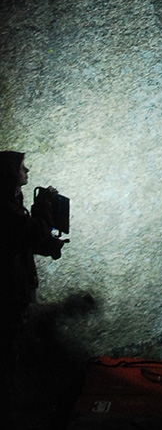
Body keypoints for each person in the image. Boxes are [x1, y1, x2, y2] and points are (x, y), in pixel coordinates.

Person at [0, 151, 67, 420]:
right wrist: (44, 205)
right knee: (7, 350)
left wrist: (48, 245)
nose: (27, 171)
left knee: (10, 348)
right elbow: (32, 232)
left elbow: (21, 240)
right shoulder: (5, 208)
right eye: (22, 168)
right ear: (8, 174)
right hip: (7, 293)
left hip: (14, 290)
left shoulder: (12, 205)